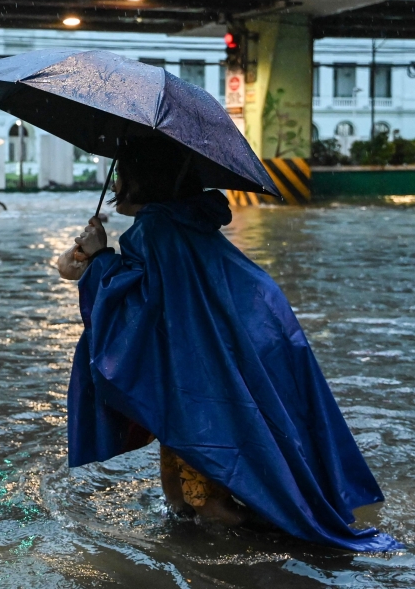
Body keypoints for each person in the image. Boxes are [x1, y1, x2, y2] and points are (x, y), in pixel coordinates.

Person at [57, 137, 400, 552]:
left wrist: (96, 261)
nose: (113, 185)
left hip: (201, 376)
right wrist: (99, 260)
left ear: (143, 180)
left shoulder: (156, 229)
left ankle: (286, 544)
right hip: (239, 351)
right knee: (187, 491)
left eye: (121, 173)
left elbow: (137, 308)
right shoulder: (182, 220)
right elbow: (162, 298)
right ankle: (216, 537)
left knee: (204, 502)